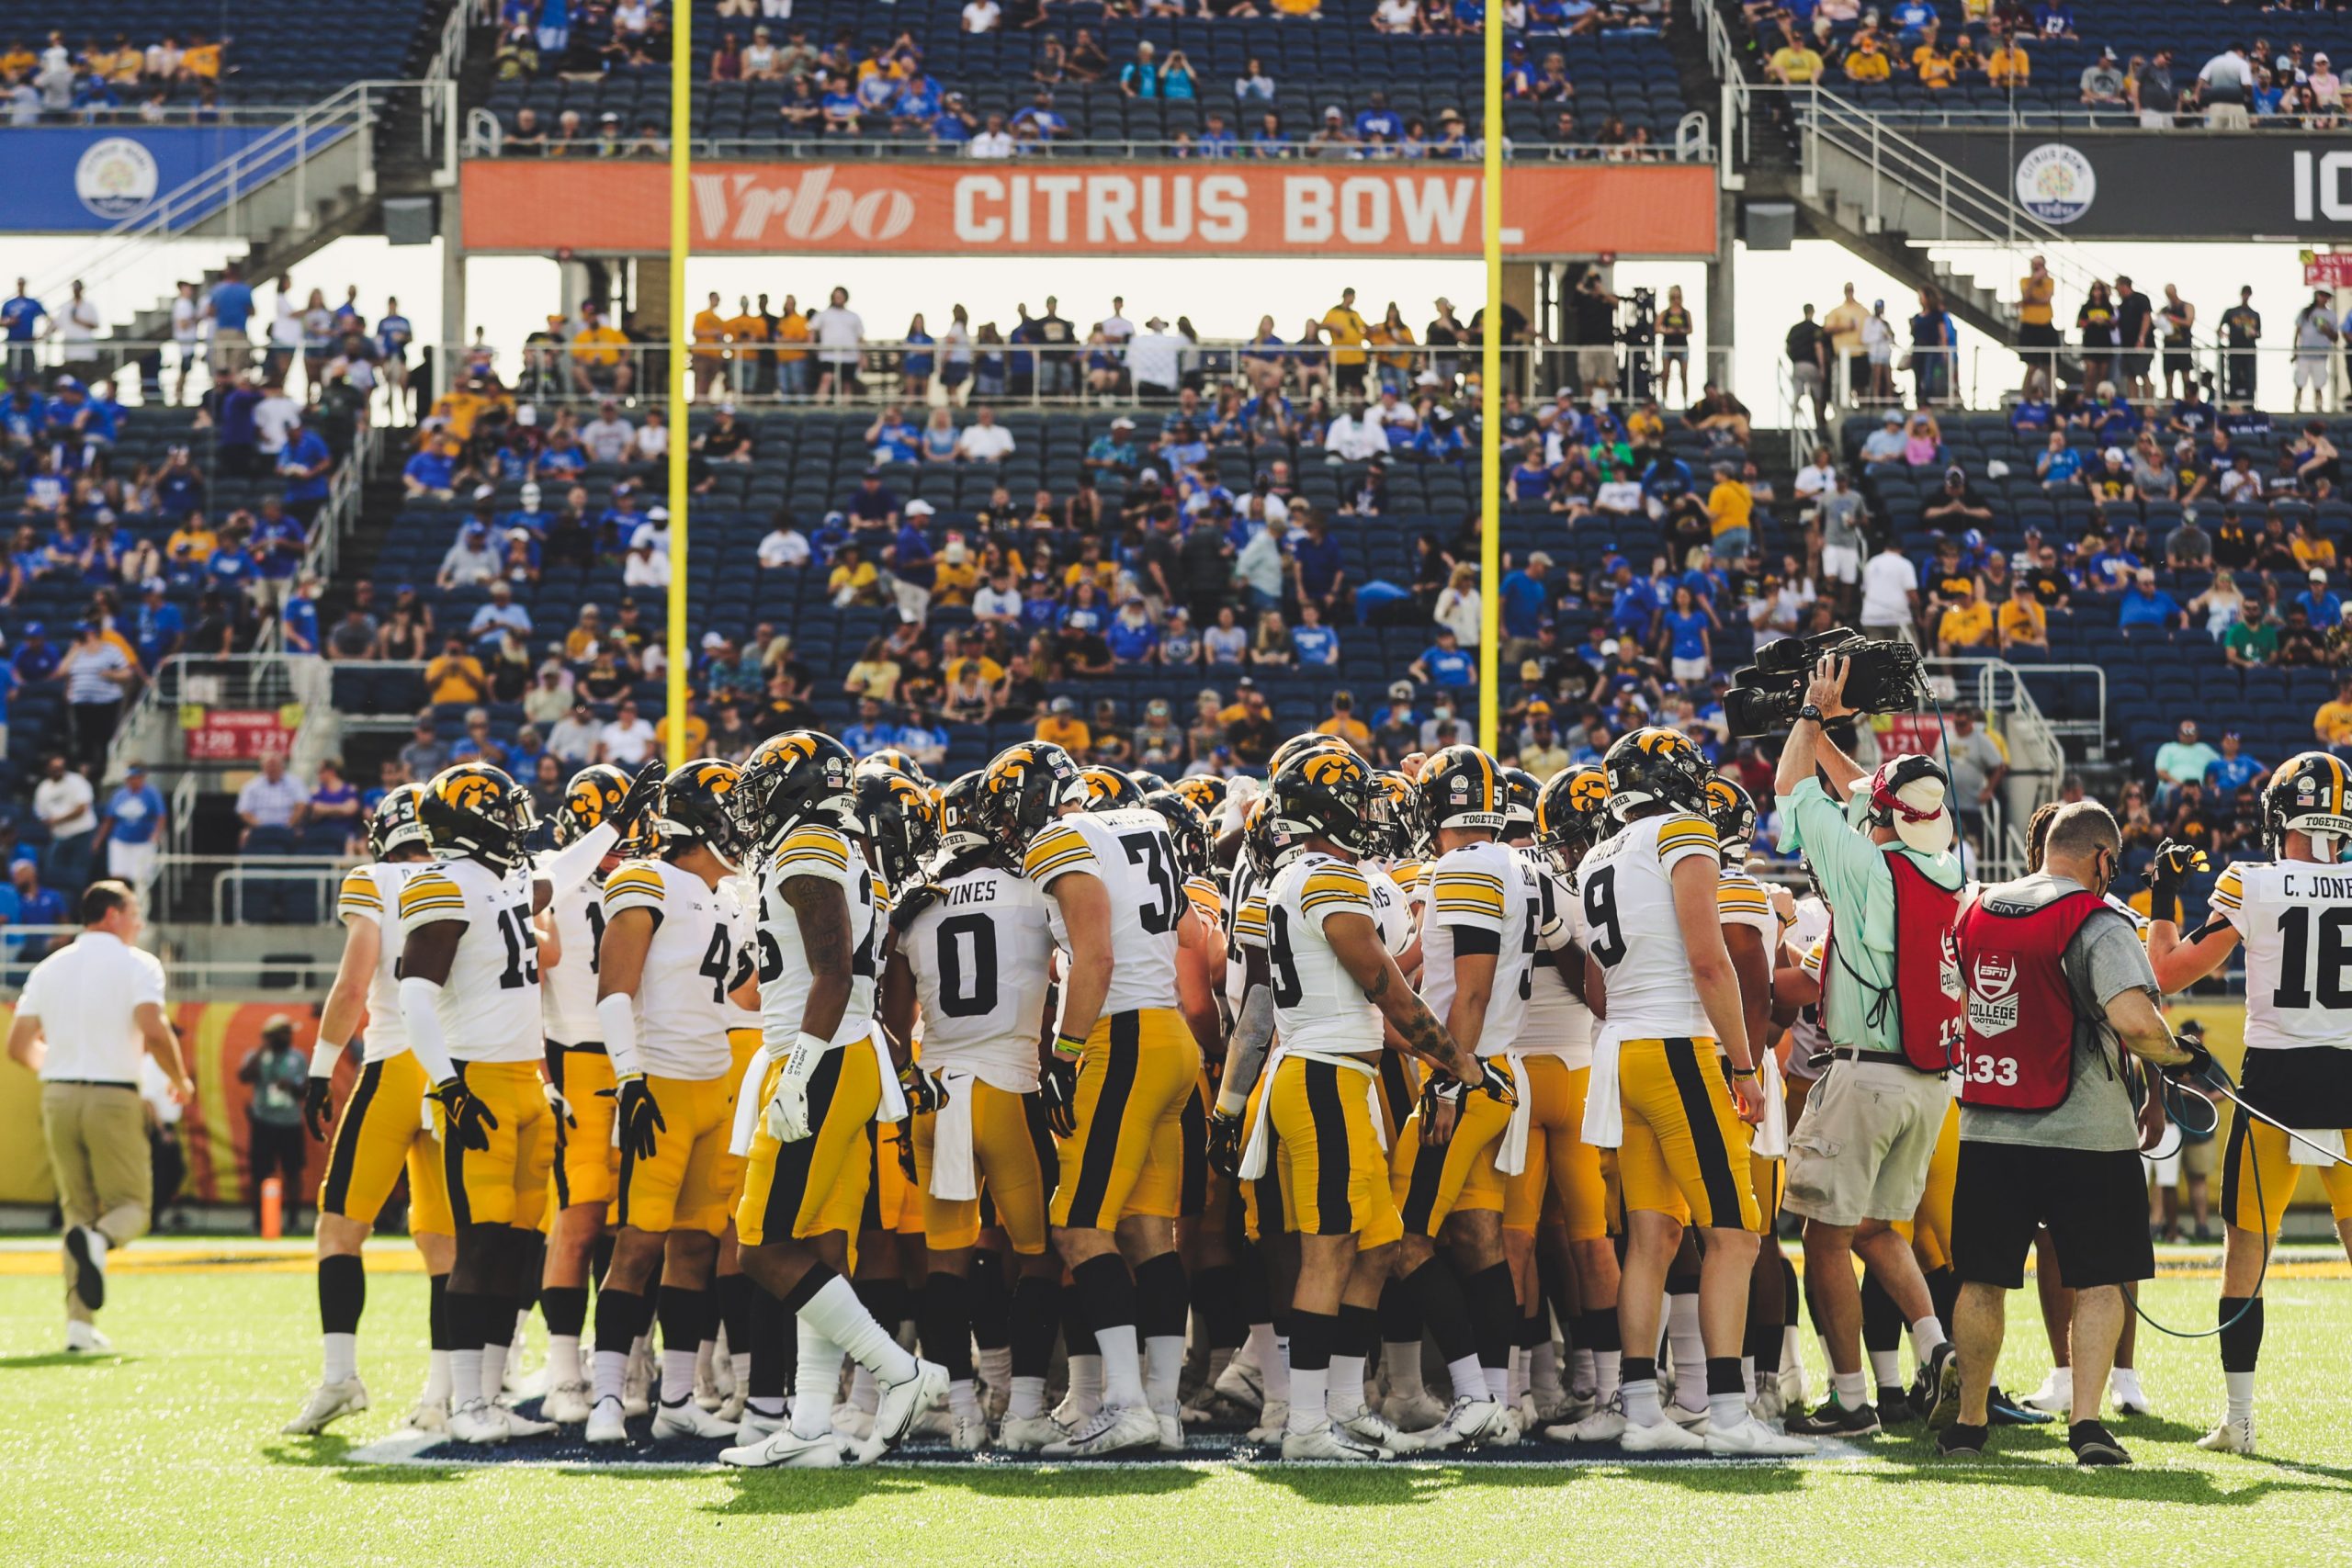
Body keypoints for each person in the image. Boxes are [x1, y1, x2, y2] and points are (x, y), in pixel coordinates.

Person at [393, 760, 664, 1443]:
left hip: (525, 1079)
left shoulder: (503, 878)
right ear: (475, 818)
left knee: (515, 1245)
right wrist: (446, 1082)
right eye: (503, 811)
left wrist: (611, 822)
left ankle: (487, 1396)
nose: (517, 823)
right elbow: (414, 995)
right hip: (476, 1077)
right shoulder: (443, 884)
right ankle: (465, 1403)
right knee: (479, 1246)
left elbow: (564, 874)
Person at [718, 734, 949, 1467]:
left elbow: (833, 972)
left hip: (818, 1052)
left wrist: (796, 1072)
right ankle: (812, 1425)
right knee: (820, 1244)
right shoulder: (843, 849)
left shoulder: (809, 846)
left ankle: (901, 1371)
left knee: (759, 1247)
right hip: (843, 1054)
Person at [1576, 730, 1807, 1455]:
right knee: (1736, 1232)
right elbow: (1710, 961)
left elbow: (1595, 986)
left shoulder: (1596, 853)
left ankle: (1642, 1409)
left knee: (1652, 1235)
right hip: (1678, 1045)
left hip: (1625, 1051)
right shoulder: (1682, 831)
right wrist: (1743, 1065)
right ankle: (1730, 1415)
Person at [1942, 803, 2194, 1465]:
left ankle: (1969, 1423)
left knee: (1981, 1279)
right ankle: (2086, 1425)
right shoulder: (2098, 919)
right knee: (2102, 1278)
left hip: (1988, 1122)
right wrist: (2184, 1059)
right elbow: (2137, 1022)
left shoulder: (1975, 906)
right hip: (2085, 1129)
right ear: (2103, 859)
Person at [1773, 659, 1964, 1438]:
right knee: (1881, 1229)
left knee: (1824, 1237)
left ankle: (1851, 1399)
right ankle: (1937, 1345)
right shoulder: (1949, 863)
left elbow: (1791, 789)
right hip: (1928, 1080)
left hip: (1864, 1071)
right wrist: (1838, 741)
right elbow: (1868, 790)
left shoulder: (1859, 862)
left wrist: (1813, 715)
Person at [2148, 754, 2352, 1457]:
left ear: (2280, 816)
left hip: (2276, 1086)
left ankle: (2240, 1418)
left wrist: (2164, 899)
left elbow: (2165, 973)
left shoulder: (2253, 880)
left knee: (2246, 1251)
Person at [580, 761, 761, 1447]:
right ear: (707, 819)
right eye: (734, 813)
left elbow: (743, 994)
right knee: (637, 1244)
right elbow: (613, 991)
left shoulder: (726, 896)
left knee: (694, 1247)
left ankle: (678, 1397)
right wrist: (629, 1077)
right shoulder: (645, 878)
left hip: (716, 1084)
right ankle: (606, 1397)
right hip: (658, 1083)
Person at [883, 774, 1062, 1451]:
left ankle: (962, 1413)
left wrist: (907, 1093)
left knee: (944, 1266)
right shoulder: (1033, 892)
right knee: (1040, 1258)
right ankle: (1023, 1410)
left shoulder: (917, 908)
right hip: (1009, 1091)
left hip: (935, 1094)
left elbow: (893, 1022)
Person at [280, 786, 458, 1436]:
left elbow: (353, 985)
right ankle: (441, 1394)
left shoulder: (373, 878)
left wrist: (321, 1070)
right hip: (455, 1069)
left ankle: (340, 1377)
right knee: (444, 1244)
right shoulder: (467, 877)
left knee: (339, 1232)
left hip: (393, 1065)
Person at [5, 881, 191, 1353]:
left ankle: (78, 1328)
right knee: (132, 1207)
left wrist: (64, 1069)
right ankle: (97, 1245)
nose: (140, 922)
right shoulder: (138, 964)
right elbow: (153, 1027)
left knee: (76, 1214)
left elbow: (17, 1046)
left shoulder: (49, 967)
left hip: (58, 1097)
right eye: (134, 912)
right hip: (113, 1095)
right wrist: (181, 1079)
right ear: (111, 914)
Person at [239, 1014, 310, 1235]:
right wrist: (263, 1049)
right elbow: (244, 1076)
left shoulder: (297, 1057)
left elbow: (306, 1090)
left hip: (290, 1122)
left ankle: (293, 1219)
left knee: (293, 1172)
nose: (288, 1037)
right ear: (271, 1036)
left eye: (289, 1032)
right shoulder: (258, 1056)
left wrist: (290, 1085)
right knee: (261, 1173)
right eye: (283, 1033)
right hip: (264, 1122)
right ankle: (259, 1220)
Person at [96, 762, 165, 893]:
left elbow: (161, 817)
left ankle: (140, 906)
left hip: (143, 842)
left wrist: (156, 834)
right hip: (120, 841)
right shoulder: (119, 794)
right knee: (117, 877)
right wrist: (99, 840)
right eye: (130, 778)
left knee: (141, 878)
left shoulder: (151, 793)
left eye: (136, 778)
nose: (133, 781)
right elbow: (109, 819)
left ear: (142, 778)